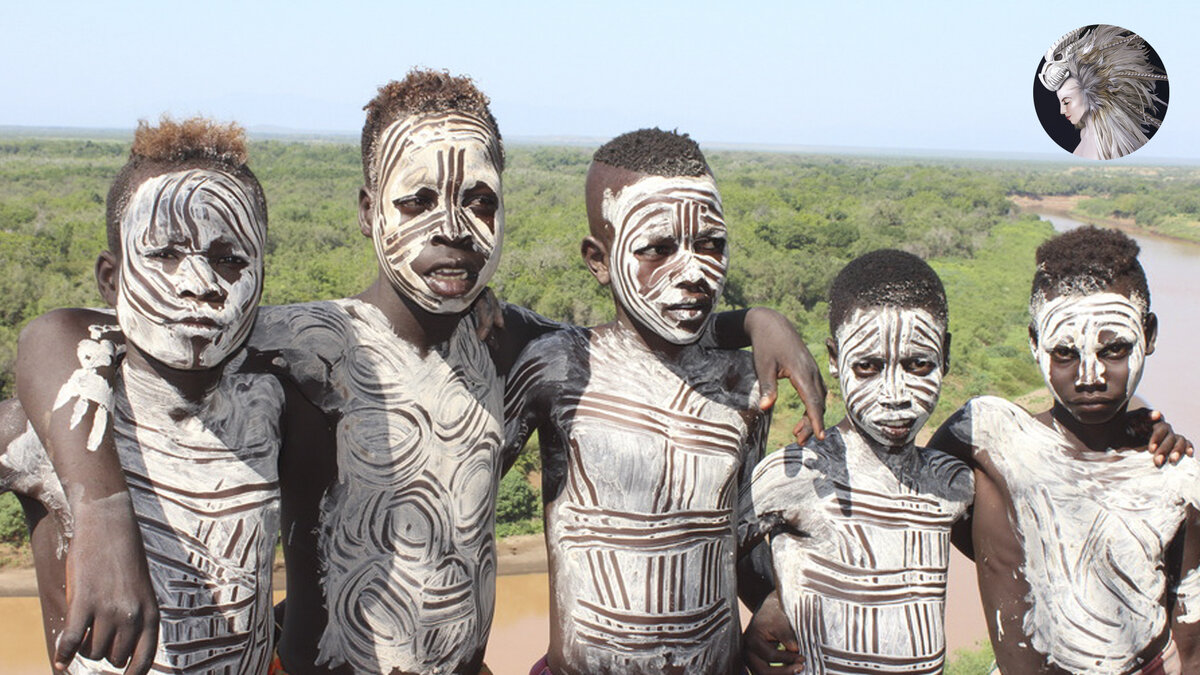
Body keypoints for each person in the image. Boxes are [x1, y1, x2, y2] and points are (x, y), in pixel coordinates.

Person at [15, 71, 827, 675]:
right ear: (368, 210)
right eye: (417, 203)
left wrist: (750, 320)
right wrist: (103, 507)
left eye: (479, 202)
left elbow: (634, 333)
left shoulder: (513, 347)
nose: (455, 229)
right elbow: (64, 335)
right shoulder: (293, 343)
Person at [1, 117, 327, 673]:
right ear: (111, 279)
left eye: (229, 259)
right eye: (165, 255)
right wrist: (101, 510)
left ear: (260, 281)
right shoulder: (55, 429)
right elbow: (51, 334)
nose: (198, 282)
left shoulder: (275, 412)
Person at [504, 128, 772, 674]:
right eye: (657, 248)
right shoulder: (561, 366)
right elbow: (460, 506)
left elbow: (738, 536)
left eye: (711, 243)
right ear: (599, 262)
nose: (694, 271)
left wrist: (781, 600)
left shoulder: (742, 382)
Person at [931, 226, 1200, 673]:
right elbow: (909, 495)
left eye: (1114, 349)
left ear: (1148, 335)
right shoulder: (985, 437)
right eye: (1064, 353)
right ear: (1035, 343)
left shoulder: (1175, 476)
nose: (1090, 376)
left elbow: (1190, 644)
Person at [740, 250, 973, 674]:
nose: (895, 393)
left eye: (918, 363)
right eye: (868, 366)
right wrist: (775, 600)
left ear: (946, 354)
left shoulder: (952, 484)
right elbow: (713, 556)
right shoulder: (798, 474)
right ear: (833, 358)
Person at [1038, 24, 1167, 160]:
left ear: (1090, 91)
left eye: (1066, 101)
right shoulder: (1085, 134)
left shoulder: (1110, 148)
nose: (1062, 111)